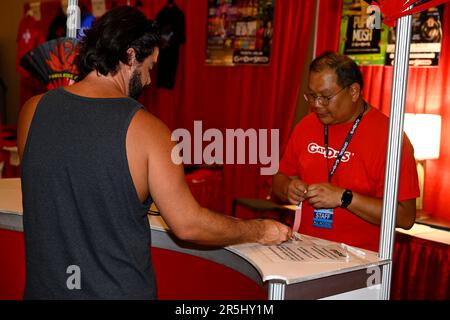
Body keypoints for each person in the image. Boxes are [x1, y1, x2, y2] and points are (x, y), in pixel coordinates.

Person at [17, 6, 291, 300]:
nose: (148, 80)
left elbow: (61, 188)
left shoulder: (33, 110)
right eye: (150, 66)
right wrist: (258, 231)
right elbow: (187, 224)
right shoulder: (148, 130)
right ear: (131, 55)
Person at [272, 52, 419, 252]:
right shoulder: (306, 126)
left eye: (325, 97)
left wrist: (345, 198)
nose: (316, 105)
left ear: (353, 91)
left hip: (360, 262)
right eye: (312, 96)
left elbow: (405, 217)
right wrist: (288, 187)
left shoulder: (391, 138)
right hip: (304, 251)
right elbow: (279, 180)